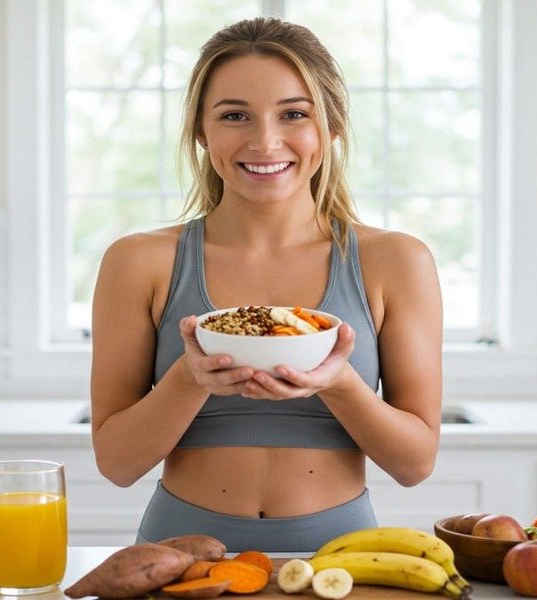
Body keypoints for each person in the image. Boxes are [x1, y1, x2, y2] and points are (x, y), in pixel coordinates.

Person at [89, 16, 443, 552]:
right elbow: (116, 464)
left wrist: (339, 382)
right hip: (176, 553)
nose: (265, 141)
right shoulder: (139, 262)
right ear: (201, 132)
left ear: (331, 126)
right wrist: (191, 376)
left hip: (340, 556)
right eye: (235, 115)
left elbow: (415, 464)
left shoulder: (394, 261)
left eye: (294, 114)